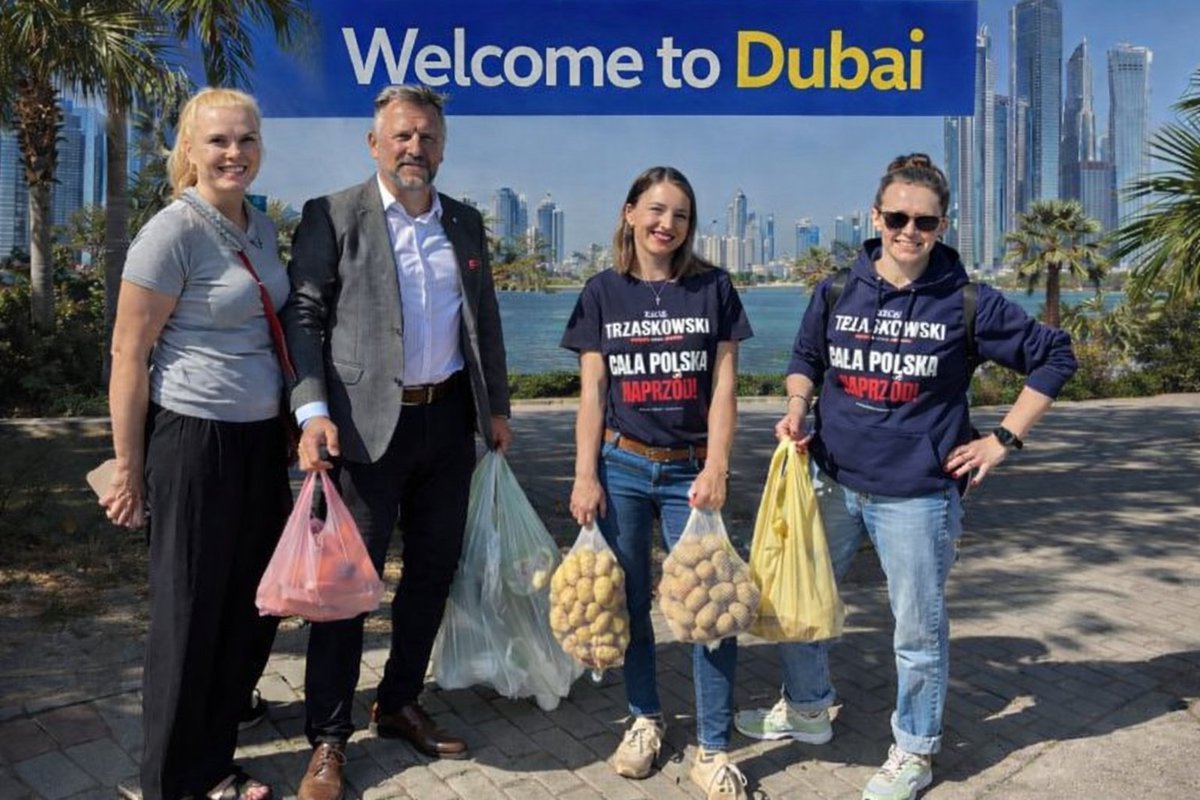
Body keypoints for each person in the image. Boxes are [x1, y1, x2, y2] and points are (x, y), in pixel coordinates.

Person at [734, 154, 1077, 800]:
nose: (909, 231)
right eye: (897, 217)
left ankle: (915, 751)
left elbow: (1055, 355)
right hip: (831, 480)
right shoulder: (838, 288)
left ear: (941, 225)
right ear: (876, 217)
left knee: (917, 633)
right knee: (797, 604)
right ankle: (807, 711)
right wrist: (796, 409)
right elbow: (807, 357)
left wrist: (1003, 439)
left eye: (923, 221)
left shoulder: (967, 299)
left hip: (918, 498)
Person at [281, 84, 511, 800]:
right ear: (375, 143)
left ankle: (398, 700)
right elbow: (305, 319)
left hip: (446, 424)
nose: (416, 149)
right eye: (403, 136)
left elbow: (486, 321)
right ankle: (326, 739)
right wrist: (311, 412)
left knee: (432, 572)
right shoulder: (333, 215)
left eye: (429, 138)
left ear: (444, 147)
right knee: (346, 590)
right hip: (360, 430)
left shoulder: (465, 223)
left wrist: (495, 408)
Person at [101, 88, 291, 800]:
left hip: (257, 442)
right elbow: (128, 354)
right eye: (217, 141)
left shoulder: (261, 228)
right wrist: (129, 467)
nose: (233, 152)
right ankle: (169, 783)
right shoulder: (171, 233)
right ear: (189, 150)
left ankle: (213, 762)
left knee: (248, 609)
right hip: (192, 441)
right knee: (187, 616)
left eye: (245, 139)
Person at [562, 166, 754, 800]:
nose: (666, 223)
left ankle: (715, 746)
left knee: (712, 609)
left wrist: (718, 466)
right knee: (630, 600)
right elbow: (592, 391)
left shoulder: (714, 288)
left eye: (679, 215)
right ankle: (645, 718)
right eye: (655, 210)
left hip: (690, 469)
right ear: (629, 213)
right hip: (621, 466)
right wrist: (585, 474)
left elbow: (725, 384)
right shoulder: (601, 292)